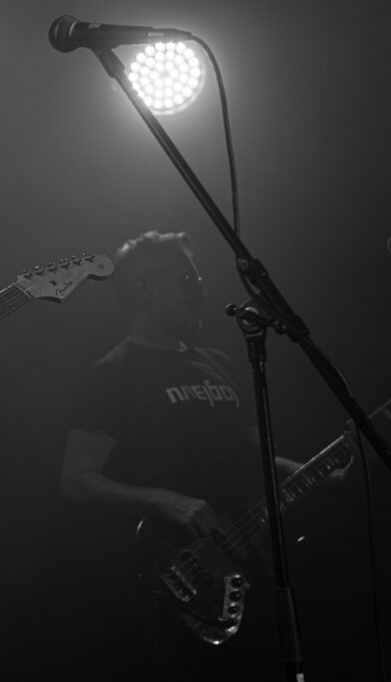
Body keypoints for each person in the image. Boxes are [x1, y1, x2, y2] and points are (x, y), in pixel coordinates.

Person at [59, 230, 305, 681]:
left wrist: (326, 468)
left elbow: (255, 463)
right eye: (187, 279)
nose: (201, 290)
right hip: (172, 581)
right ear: (145, 289)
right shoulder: (112, 374)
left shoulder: (222, 363)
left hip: (249, 572)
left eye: (199, 278)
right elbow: (76, 478)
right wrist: (163, 500)